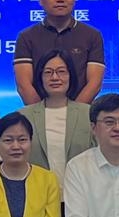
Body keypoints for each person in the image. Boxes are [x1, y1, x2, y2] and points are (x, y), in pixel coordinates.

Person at [13, 0, 104, 105]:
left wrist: (73, 113)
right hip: (38, 113)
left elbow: (94, 84)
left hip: (81, 113)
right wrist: (42, 114)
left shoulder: (92, 36)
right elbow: (24, 85)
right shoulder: (26, 37)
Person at [18, 49, 95, 181]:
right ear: (40, 77)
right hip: (38, 191)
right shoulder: (23, 116)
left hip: (82, 189)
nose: (54, 77)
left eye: (61, 71)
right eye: (48, 72)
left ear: (71, 75)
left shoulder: (89, 114)